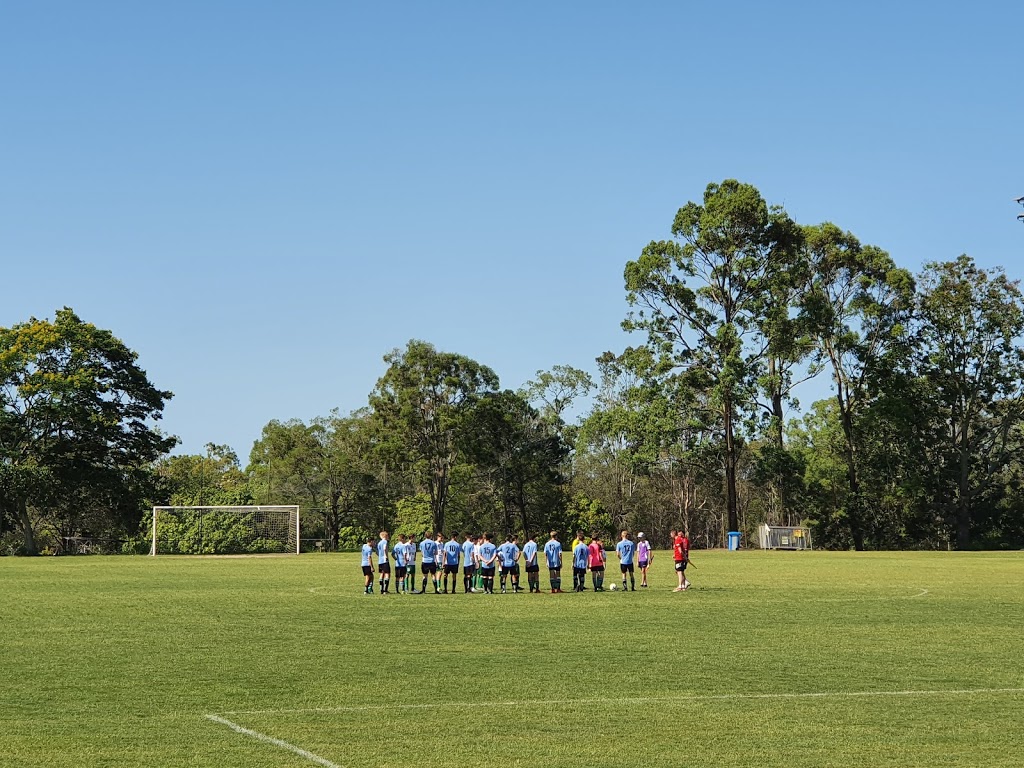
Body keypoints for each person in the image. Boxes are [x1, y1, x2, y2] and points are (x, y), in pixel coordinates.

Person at [376, 530, 391, 595]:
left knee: (382, 574)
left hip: (380, 560)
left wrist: (380, 556)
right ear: (385, 536)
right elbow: (385, 549)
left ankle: (381, 589)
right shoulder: (385, 541)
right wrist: (386, 556)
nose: (388, 537)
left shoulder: (379, 543)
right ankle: (385, 590)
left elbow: (377, 552)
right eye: (387, 535)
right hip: (385, 560)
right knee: (387, 574)